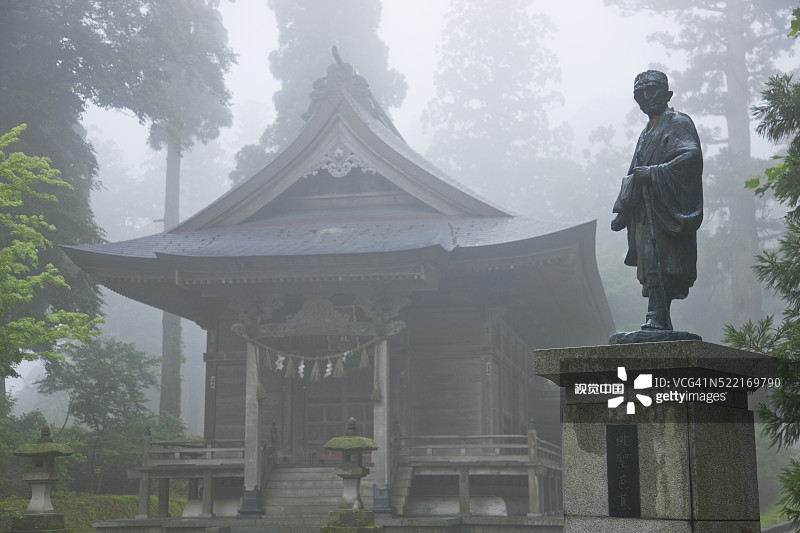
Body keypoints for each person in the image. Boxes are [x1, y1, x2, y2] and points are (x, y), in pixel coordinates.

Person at [611, 70, 703, 331]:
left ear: (667, 94)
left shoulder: (678, 122)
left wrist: (655, 173)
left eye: (653, 91)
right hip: (644, 210)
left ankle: (657, 317)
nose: (647, 97)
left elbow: (691, 156)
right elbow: (634, 170)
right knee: (649, 262)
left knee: (660, 262)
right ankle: (659, 317)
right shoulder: (645, 134)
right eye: (640, 94)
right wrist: (624, 209)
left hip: (666, 207)